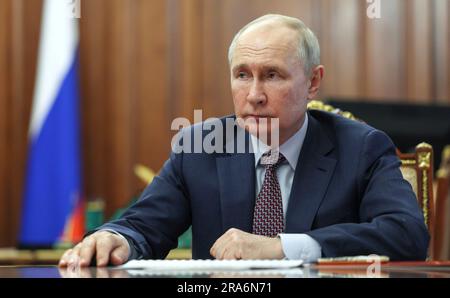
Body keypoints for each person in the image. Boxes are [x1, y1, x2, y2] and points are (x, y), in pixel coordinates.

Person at [59, 14, 429, 268]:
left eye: (272, 75)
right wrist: (115, 239)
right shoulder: (200, 147)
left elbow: (406, 234)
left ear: (313, 82)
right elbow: (143, 227)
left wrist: (283, 248)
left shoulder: (361, 147)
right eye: (241, 75)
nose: (254, 95)